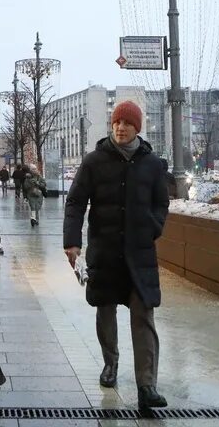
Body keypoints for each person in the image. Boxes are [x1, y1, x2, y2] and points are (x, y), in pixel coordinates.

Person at [62, 100, 169, 410]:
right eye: (117, 123)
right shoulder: (94, 161)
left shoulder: (152, 164)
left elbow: (161, 204)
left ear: (138, 127)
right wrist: (72, 242)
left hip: (139, 254)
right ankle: (110, 364)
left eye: (127, 123)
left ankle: (147, 385)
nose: (121, 128)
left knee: (143, 316)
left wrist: (153, 227)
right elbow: (76, 202)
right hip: (105, 251)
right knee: (105, 310)